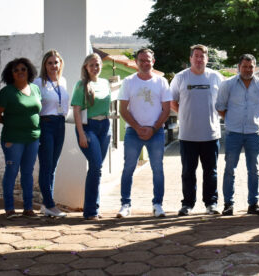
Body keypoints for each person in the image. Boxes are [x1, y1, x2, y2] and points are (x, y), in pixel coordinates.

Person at [117, 48, 172, 218]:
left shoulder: (161, 82)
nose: (145, 63)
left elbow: (166, 110)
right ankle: (125, 204)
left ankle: (158, 204)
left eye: (148, 60)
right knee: (128, 168)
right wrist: (138, 127)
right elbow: (123, 109)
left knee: (158, 169)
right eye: (141, 60)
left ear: (153, 61)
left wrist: (153, 128)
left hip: (156, 132)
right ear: (136, 62)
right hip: (133, 131)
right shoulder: (128, 81)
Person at [171, 44, 224, 215]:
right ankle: (187, 204)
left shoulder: (216, 77)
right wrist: (185, 115)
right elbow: (172, 102)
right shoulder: (180, 78)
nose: (199, 59)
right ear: (190, 58)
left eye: (203, 56)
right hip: (188, 135)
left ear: (207, 59)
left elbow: (224, 102)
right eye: (196, 56)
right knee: (188, 172)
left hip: (211, 134)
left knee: (211, 172)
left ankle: (211, 203)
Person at [215, 54, 259, 216]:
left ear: (255, 67)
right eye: (245, 66)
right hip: (233, 133)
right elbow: (220, 107)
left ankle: (253, 204)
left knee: (254, 170)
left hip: (253, 133)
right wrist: (232, 120)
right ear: (239, 67)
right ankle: (228, 204)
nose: (248, 69)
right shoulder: (228, 84)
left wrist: (252, 119)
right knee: (230, 169)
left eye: (251, 66)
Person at [0, 57, 42, 218]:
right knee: (12, 171)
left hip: (33, 138)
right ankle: (9, 208)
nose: (20, 72)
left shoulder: (35, 88)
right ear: (11, 74)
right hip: (13, 139)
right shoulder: (7, 92)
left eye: (23, 69)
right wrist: (12, 124)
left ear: (29, 71)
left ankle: (28, 208)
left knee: (28, 173)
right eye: (16, 70)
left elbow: (37, 110)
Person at [71, 53, 112, 220]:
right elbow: (76, 110)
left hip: (105, 127)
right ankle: (90, 211)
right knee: (96, 167)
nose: (95, 68)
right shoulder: (81, 85)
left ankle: (94, 207)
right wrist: (81, 134)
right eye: (92, 65)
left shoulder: (104, 83)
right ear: (86, 68)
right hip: (89, 128)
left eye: (97, 65)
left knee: (97, 169)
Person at [34, 50, 70, 218]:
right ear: (44, 65)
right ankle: (50, 204)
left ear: (60, 64)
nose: (53, 66)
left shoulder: (62, 81)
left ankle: (46, 204)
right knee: (46, 166)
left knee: (53, 166)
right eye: (50, 63)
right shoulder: (38, 83)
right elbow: (35, 107)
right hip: (45, 124)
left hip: (60, 125)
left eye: (56, 62)